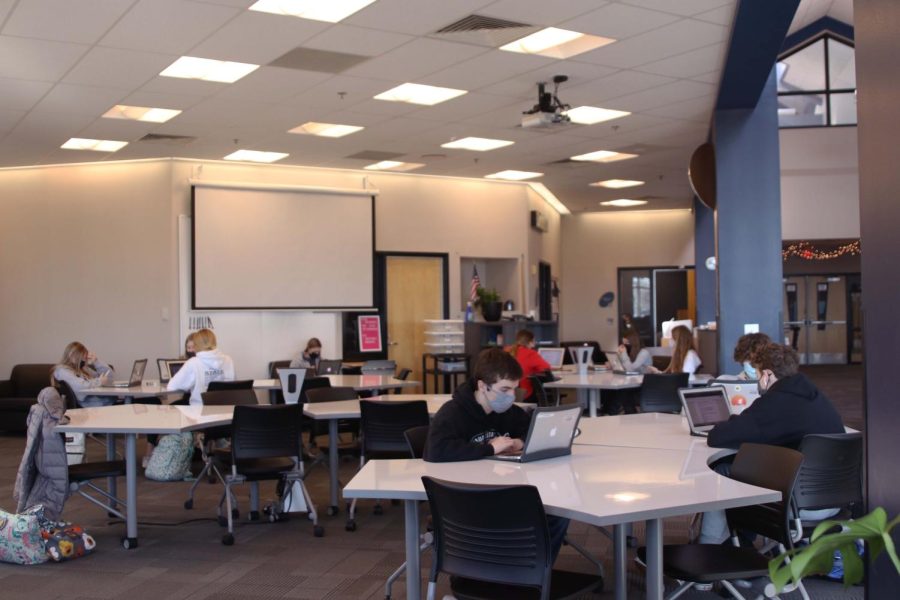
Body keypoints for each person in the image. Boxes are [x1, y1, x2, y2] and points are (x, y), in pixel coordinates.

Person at [425, 347, 570, 562]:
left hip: (502, 490)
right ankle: (508, 570)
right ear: (482, 386)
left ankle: (533, 571)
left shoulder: (506, 412)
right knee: (529, 517)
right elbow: (435, 451)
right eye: (504, 389)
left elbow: (531, 428)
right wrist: (490, 449)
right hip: (466, 497)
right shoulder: (453, 413)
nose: (511, 396)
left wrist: (519, 441)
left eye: (514, 389)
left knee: (558, 514)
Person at [698, 342, 844, 544]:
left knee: (722, 471)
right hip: (835, 498)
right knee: (745, 471)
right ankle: (741, 550)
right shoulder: (815, 395)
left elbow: (717, 437)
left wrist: (733, 421)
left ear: (767, 374)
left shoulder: (775, 402)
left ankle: (708, 551)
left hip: (798, 504)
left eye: (758, 374)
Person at [166, 328, 235, 406]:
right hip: (226, 412)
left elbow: (172, 386)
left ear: (196, 344)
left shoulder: (193, 363)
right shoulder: (228, 360)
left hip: (199, 413)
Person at [50, 341, 115, 407]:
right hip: (87, 406)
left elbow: (108, 378)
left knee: (122, 401)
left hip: (100, 401)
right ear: (71, 356)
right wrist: (99, 381)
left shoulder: (83, 369)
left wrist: (96, 362)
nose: (84, 361)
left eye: (85, 358)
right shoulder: (62, 371)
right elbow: (81, 385)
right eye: (82, 358)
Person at [506, 330, 551, 402]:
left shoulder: (507, 350)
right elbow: (547, 368)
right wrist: (534, 370)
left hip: (506, 392)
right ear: (531, 342)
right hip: (524, 394)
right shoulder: (530, 353)